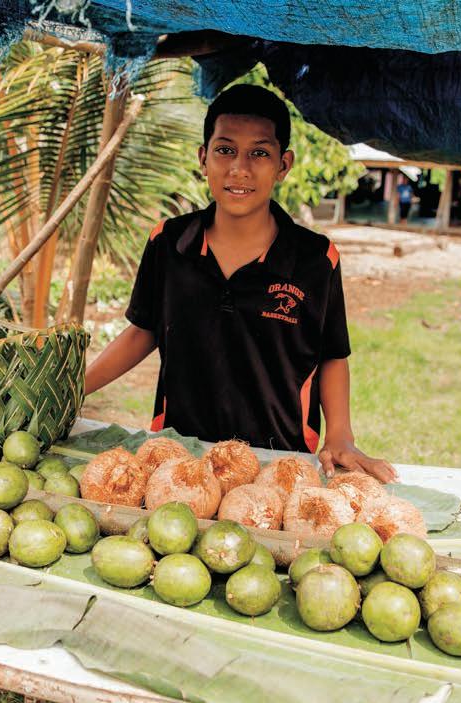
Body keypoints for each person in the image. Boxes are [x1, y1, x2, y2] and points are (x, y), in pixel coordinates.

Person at [84, 84, 396, 482]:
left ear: (283, 164)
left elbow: (332, 354)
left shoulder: (316, 259)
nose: (239, 168)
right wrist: (73, 391)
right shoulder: (169, 243)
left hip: (279, 463)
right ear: (203, 157)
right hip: (180, 459)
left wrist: (340, 435)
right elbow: (142, 332)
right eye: (225, 150)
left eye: (259, 153)